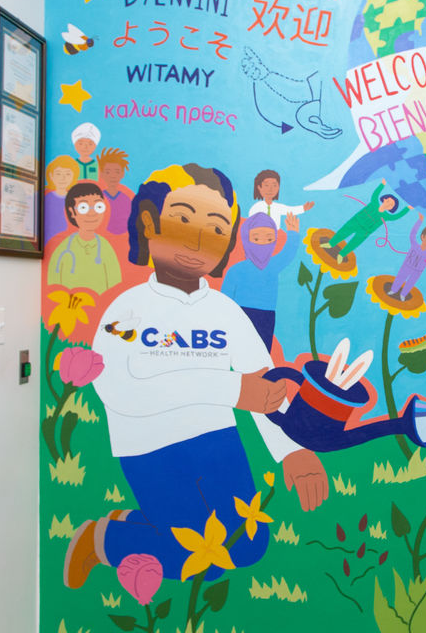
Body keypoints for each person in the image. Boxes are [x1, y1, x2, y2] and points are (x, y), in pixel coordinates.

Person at [65, 163, 329, 589]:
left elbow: (264, 384)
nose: (197, 241)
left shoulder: (225, 311)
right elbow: (117, 389)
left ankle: (138, 523)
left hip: (217, 440)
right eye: (183, 220)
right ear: (150, 223)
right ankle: (103, 539)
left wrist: (290, 451)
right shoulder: (126, 310)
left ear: (228, 242)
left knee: (247, 545)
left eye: (216, 228)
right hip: (148, 445)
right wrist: (229, 388)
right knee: (194, 554)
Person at [221, 211, 301, 350]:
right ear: (246, 239)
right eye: (256, 239)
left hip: (266, 316)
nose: (263, 244)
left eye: (269, 239)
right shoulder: (236, 270)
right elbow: (224, 299)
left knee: (262, 353)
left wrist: (293, 233)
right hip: (240, 314)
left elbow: (288, 253)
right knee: (237, 350)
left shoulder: (273, 265)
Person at [47, 181, 123, 293]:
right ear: (72, 211)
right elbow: (53, 287)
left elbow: (115, 286)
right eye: (83, 207)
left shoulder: (105, 247)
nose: (91, 213)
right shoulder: (62, 249)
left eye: (98, 206)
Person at [325, 179, 407, 262]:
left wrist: (407, 209)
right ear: (384, 199)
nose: (389, 204)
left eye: (391, 205)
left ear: (391, 209)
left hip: (366, 231)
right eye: (389, 201)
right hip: (356, 221)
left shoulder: (385, 216)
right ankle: (331, 243)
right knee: (344, 231)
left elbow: (396, 216)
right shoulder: (374, 203)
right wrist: (382, 185)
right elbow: (375, 194)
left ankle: (341, 254)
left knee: (354, 242)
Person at [247, 169, 313, 228]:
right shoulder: (256, 208)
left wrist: (303, 208)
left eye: (274, 185)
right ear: (259, 187)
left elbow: (289, 210)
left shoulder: (277, 207)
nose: (270, 189)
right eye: (266, 185)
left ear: (278, 187)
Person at [97, 147, 134, 236]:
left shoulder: (127, 199)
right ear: (101, 174)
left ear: (122, 174)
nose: (112, 176)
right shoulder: (97, 198)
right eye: (108, 172)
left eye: (117, 172)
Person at [44, 155, 80, 243]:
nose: (62, 178)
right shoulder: (46, 197)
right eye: (58, 173)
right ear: (51, 176)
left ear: (74, 176)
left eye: (67, 174)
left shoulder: (76, 200)